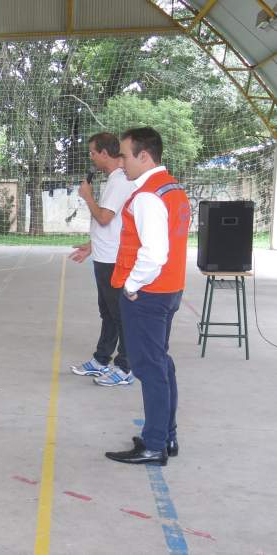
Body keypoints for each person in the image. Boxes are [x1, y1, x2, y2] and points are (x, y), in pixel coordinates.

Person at [103, 127, 190, 467]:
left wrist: (131, 285)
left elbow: (154, 253)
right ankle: (166, 435)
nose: (120, 161)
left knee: (150, 368)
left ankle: (155, 444)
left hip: (148, 294)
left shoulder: (147, 196)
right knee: (161, 363)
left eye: (124, 155)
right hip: (169, 289)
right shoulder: (172, 188)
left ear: (144, 155)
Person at [70, 132, 138, 387]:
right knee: (108, 313)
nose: (91, 157)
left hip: (113, 259)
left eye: (93, 152)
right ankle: (101, 360)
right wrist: (92, 245)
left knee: (119, 314)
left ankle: (125, 367)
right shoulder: (114, 180)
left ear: (105, 153)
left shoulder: (119, 181)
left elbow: (104, 218)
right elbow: (114, 223)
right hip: (104, 255)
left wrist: (87, 196)